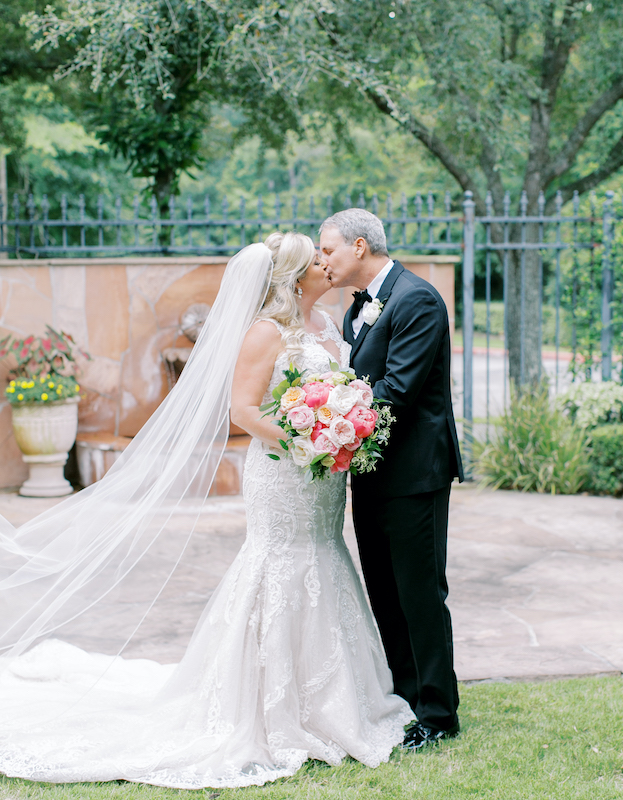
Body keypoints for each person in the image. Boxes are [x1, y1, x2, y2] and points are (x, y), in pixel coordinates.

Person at [0, 233, 412, 790]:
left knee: (325, 556)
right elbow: (242, 409)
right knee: (279, 564)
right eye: (315, 259)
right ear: (292, 277)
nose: (325, 263)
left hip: (322, 478)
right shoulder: (266, 332)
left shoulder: (328, 326)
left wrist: (341, 431)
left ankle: (339, 702)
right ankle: (266, 708)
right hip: (283, 474)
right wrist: (304, 441)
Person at [319, 209, 464, 750]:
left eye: (328, 250)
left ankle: (438, 714)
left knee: (420, 592)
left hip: (415, 474)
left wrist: (327, 431)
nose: (322, 260)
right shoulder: (362, 306)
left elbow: (395, 393)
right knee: (384, 589)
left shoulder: (417, 299)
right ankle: (405, 698)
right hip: (371, 471)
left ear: (359, 246)